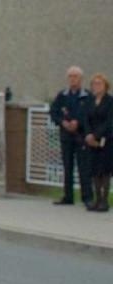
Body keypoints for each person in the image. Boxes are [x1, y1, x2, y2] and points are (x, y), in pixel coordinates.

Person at [48, 66, 92, 207]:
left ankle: (87, 197)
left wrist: (78, 122)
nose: (73, 79)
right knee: (67, 166)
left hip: (81, 136)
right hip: (66, 136)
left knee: (83, 167)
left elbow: (90, 114)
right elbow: (54, 111)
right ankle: (68, 196)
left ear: (81, 79)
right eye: (71, 76)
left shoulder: (87, 96)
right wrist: (63, 122)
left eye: (76, 76)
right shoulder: (63, 95)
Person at [84, 72, 113, 212]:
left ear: (106, 86)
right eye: (93, 84)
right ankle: (97, 199)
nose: (95, 86)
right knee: (94, 170)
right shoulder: (90, 101)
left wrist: (97, 135)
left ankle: (105, 201)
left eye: (98, 83)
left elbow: (109, 122)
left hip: (106, 140)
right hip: (91, 140)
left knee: (104, 171)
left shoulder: (110, 101)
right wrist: (89, 134)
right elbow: (86, 119)